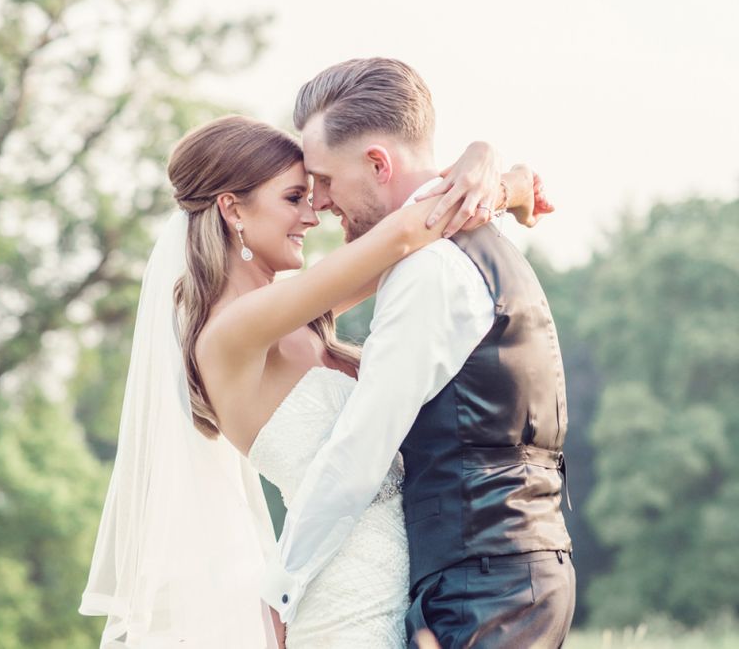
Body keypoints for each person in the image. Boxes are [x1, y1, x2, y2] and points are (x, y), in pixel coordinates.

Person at [79, 112, 546, 648]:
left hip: (413, 587)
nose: (313, 215)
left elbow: (421, 231)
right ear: (233, 209)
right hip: (344, 602)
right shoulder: (229, 333)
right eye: (294, 198)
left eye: (312, 195)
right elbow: (402, 234)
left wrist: (490, 168)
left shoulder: (297, 314)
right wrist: (499, 178)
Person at [260, 58, 575, 649]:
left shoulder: (428, 271)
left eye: (324, 179)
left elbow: (362, 446)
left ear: (378, 163)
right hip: (512, 575)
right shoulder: (475, 242)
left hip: (482, 587)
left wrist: (282, 588)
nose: (321, 202)